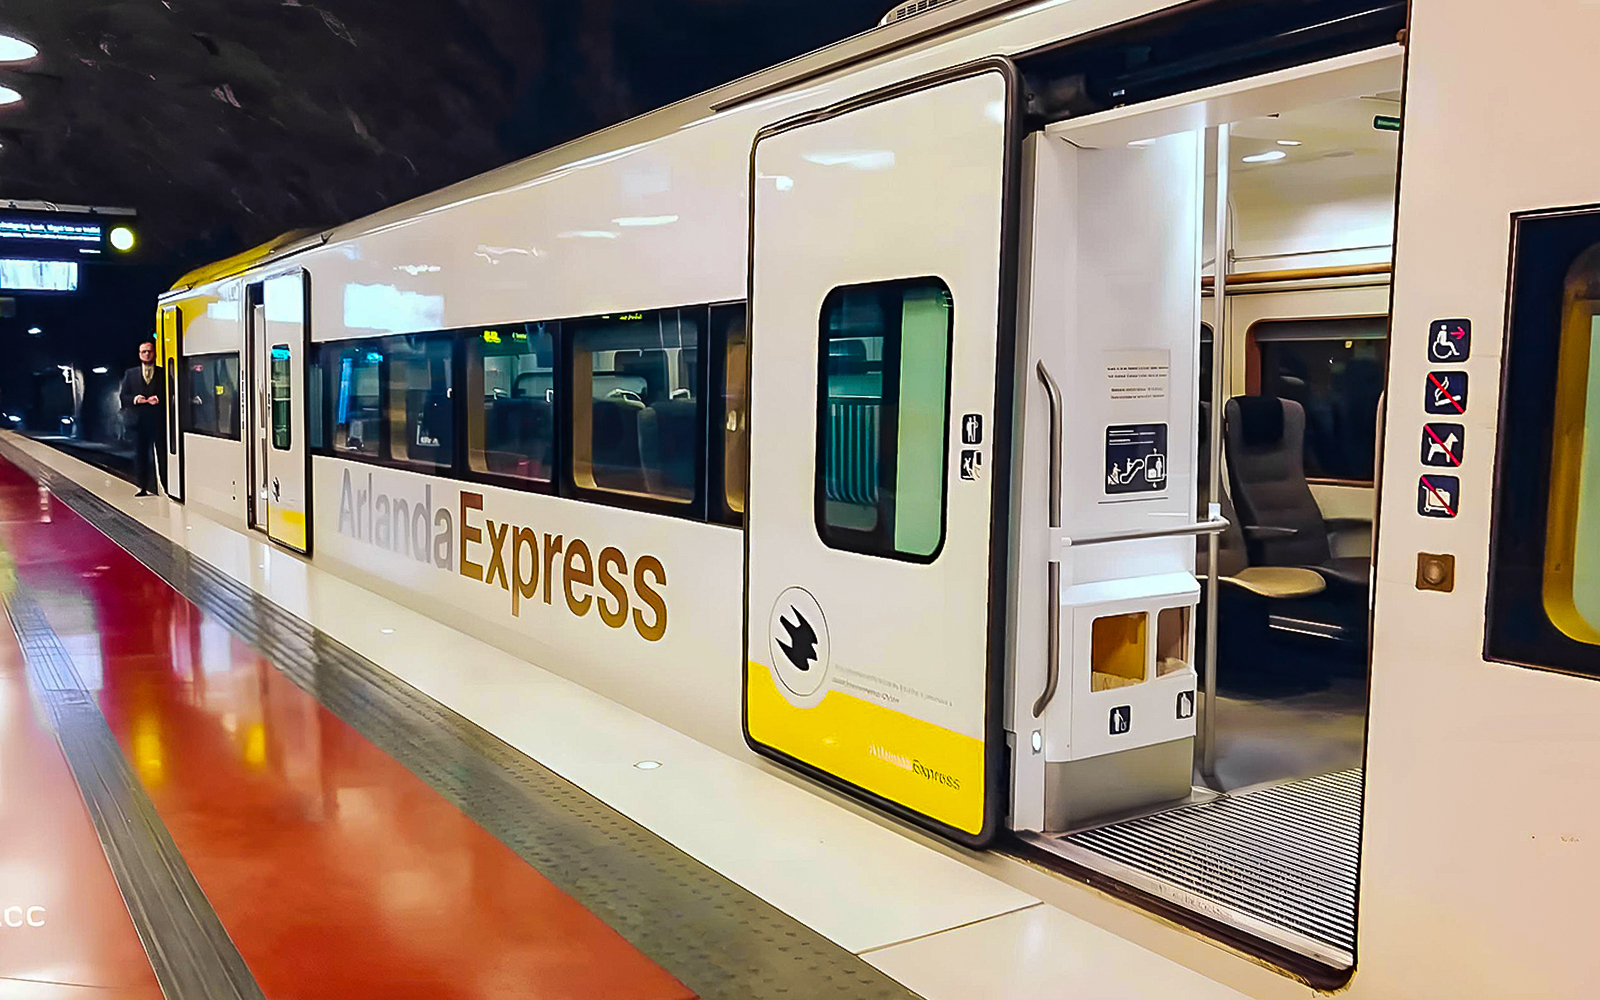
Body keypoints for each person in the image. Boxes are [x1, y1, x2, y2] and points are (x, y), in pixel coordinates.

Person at [119, 340, 166, 497]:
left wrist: (160, 399)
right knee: (140, 454)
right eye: (144, 352)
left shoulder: (163, 373)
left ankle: (166, 485)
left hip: (158, 421)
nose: (147, 354)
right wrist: (135, 399)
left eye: (149, 351)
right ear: (139, 355)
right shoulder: (130, 374)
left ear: (155, 353)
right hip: (138, 423)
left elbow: (171, 393)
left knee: (162, 453)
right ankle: (142, 486)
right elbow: (123, 396)